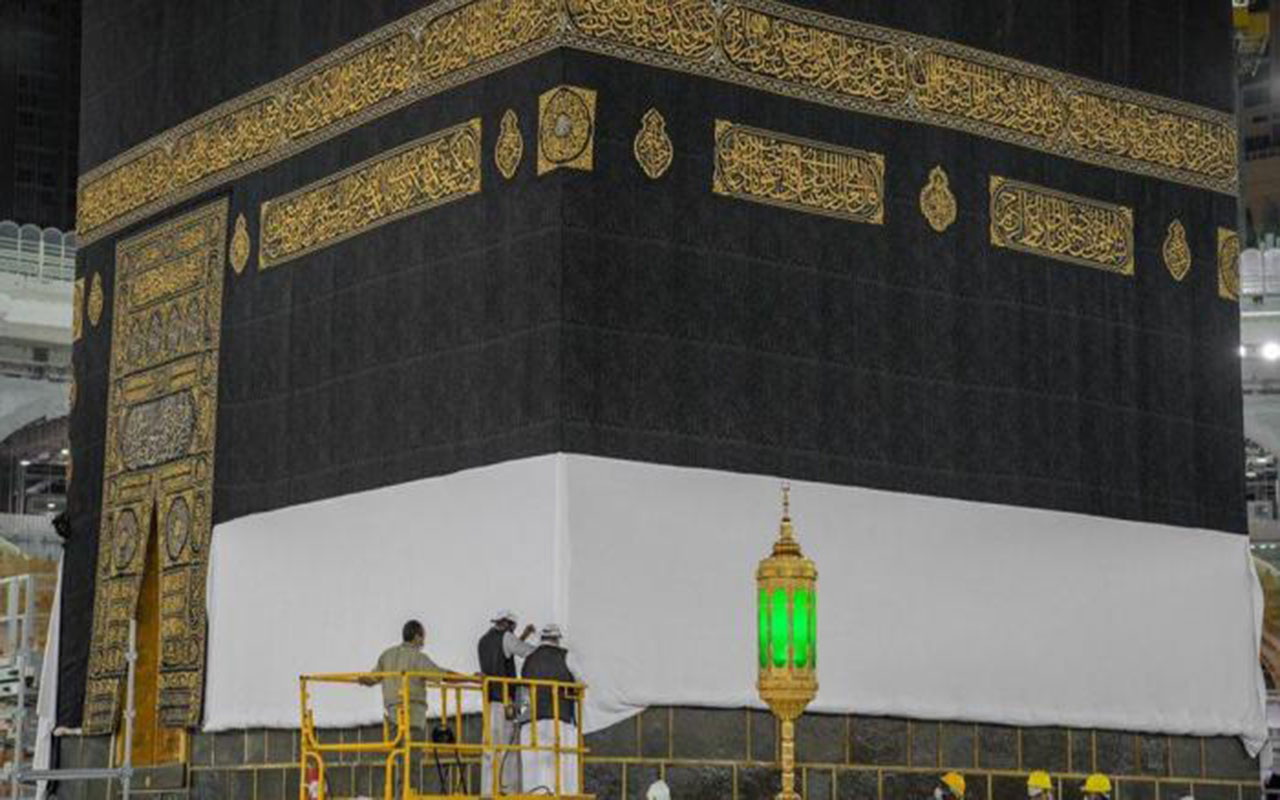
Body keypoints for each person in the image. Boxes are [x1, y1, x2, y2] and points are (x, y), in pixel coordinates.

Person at [359, 620, 456, 795]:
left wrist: (361, 679)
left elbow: (371, 679)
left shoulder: (387, 655)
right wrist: (471, 679)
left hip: (392, 720)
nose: (424, 641)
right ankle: (408, 795)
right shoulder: (417, 658)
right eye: (423, 637)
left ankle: (400, 795)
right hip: (412, 719)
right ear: (417, 636)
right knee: (411, 766)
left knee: (399, 762)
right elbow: (442, 675)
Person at [477, 610, 536, 796]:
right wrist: (546, 650)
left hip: (489, 702)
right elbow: (525, 651)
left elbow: (506, 651)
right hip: (505, 702)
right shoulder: (506, 637)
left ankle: (488, 792)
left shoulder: (483, 640)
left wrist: (523, 635)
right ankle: (508, 792)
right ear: (508, 624)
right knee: (508, 748)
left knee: (489, 749)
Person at [519, 624, 581, 795]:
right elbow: (580, 682)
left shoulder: (529, 659)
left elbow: (522, 689)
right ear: (557, 639)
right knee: (562, 764)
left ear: (542, 638)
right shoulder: (567, 656)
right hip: (560, 718)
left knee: (535, 766)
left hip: (532, 721)